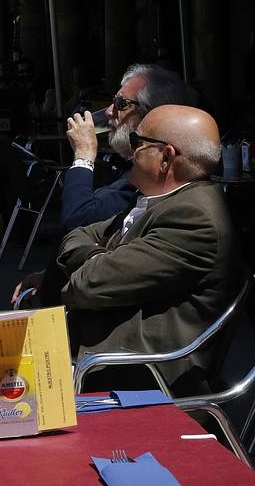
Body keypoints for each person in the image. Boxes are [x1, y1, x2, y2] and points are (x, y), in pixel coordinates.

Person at [57, 105, 241, 394]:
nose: (130, 153)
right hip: (99, 356)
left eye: (137, 143)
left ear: (166, 157)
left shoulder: (194, 219)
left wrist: (94, 260)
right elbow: (78, 233)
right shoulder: (161, 200)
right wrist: (99, 257)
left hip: (135, 379)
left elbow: (86, 285)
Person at [13, 63, 200, 306]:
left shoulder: (154, 183)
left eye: (121, 104)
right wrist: (50, 276)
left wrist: (83, 155)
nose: (109, 111)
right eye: (113, 101)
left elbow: (77, 221)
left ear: (151, 115)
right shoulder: (130, 172)